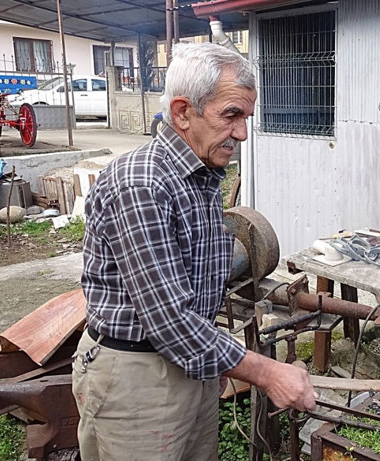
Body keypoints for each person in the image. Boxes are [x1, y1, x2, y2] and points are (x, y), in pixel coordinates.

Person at [72, 42, 316, 461]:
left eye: (245, 118)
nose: (241, 133)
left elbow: (195, 285)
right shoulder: (143, 183)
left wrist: (214, 362)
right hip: (138, 379)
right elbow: (167, 319)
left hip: (192, 363)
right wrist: (267, 371)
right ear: (183, 112)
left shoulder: (201, 175)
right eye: (231, 115)